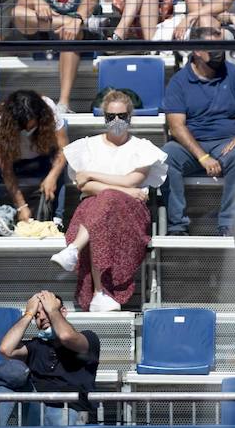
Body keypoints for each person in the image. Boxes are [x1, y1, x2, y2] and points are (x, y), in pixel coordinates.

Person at [53, 90, 168, 311]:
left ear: (130, 117)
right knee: (103, 203)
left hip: (130, 213)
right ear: (104, 117)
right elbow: (84, 185)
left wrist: (93, 175)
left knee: (105, 199)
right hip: (93, 209)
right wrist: (122, 189)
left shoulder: (142, 148)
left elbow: (132, 179)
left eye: (122, 116)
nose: (116, 121)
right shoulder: (87, 146)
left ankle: (76, 253)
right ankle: (99, 294)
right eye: (111, 116)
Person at [162, 26, 235, 236]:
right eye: (214, 47)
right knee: (166, 156)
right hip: (192, 146)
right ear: (197, 51)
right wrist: (203, 157)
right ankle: (177, 225)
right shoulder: (179, 82)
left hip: (226, 143)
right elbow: (176, 126)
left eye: (222, 46)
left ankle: (228, 224)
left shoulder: (233, 72)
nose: (220, 52)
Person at [0, 290, 99, 426]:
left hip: (70, 408)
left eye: (46, 311)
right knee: (8, 378)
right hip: (37, 409)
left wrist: (53, 310)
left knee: (61, 416)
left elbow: (67, 337)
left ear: (63, 312)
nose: (41, 317)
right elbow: (5, 349)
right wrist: (28, 314)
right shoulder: (35, 345)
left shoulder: (88, 338)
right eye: (37, 315)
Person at [0, 91, 69, 225]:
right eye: (24, 126)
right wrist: (21, 206)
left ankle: (57, 219)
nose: (28, 129)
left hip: (41, 155)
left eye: (32, 124)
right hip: (13, 159)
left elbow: (63, 149)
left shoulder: (49, 109)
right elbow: (6, 171)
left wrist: (52, 176)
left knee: (61, 163)